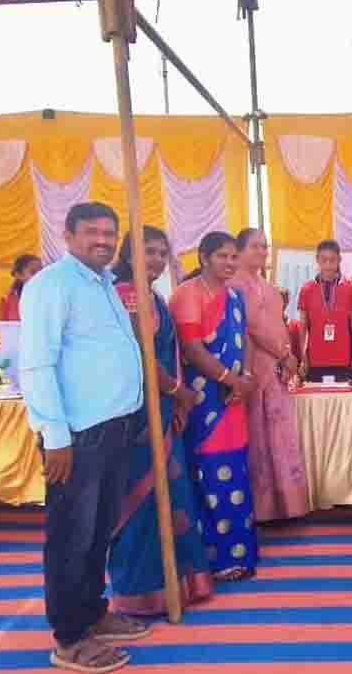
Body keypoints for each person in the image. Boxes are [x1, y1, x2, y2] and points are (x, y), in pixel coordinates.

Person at [19, 202, 150, 673]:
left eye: (109, 233)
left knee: (99, 531)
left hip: (114, 429)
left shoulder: (106, 285)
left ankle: (93, 612)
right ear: (68, 234)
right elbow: (35, 363)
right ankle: (70, 638)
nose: (102, 240)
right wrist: (55, 436)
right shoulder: (50, 287)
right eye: (92, 232)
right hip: (75, 437)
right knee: (71, 538)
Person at [107, 225, 214, 615]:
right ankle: (141, 593)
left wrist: (180, 403)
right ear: (127, 253)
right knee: (142, 505)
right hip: (138, 416)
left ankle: (176, 584)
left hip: (165, 411)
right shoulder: (126, 296)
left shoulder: (152, 295)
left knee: (172, 498)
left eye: (160, 252)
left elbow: (171, 354)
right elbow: (140, 357)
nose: (154, 259)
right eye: (147, 251)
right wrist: (176, 392)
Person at [169, 231, 260, 583]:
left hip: (233, 400)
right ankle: (213, 559)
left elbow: (245, 340)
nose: (229, 263)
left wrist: (246, 378)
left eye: (233, 257)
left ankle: (240, 553)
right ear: (204, 258)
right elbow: (192, 349)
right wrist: (231, 380)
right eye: (222, 256)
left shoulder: (234, 296)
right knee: (207, 474)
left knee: (234, 471)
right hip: (203, 403)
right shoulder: (187, 295)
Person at [231, 227, 310, 522]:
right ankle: (263, 509)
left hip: (276, 367)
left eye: (265, 247)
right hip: (254, 366)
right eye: (255, 247)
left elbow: (277, 323)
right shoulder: (236, 285)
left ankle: (288, 505)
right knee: (258, 435)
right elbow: (253, 326)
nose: (262, 252)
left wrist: (287, 356)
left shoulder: (265, 285)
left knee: (279, 434)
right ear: (238, 252)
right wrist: (285, 355)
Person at [297, 240, 352, 383]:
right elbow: (302, 329)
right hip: (315, 361)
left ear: (339, 260)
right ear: (317, 260)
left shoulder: (350, 289)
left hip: (343, 361)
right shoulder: (306, 290)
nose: (327, 265)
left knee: (343, 404)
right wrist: (303, 359)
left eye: (332, 260)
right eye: (323, 260)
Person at [0, 254, 42, 321]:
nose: (39, 275)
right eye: (33, 272)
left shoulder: (49, 296)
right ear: (18, 275)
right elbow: (2, 327)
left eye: (41, 272)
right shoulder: (6, 299)